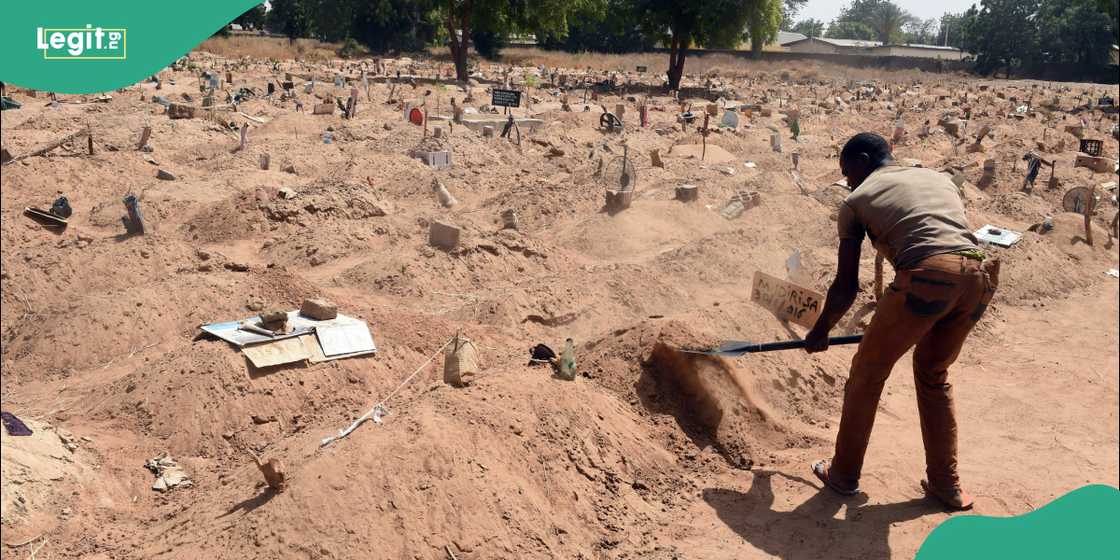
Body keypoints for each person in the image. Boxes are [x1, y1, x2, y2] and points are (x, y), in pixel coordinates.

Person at [804, 132, 999, 511]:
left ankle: (843, 474)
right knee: (932, 372)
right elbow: (948, 237)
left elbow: (846, 286)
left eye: (847, 172)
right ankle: (947, 486)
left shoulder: (857, 200)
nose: (848, 181)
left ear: (861, 160)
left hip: (926, 278)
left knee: (867, 371)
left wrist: (821, 330)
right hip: (978, 277)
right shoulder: (937, 178)